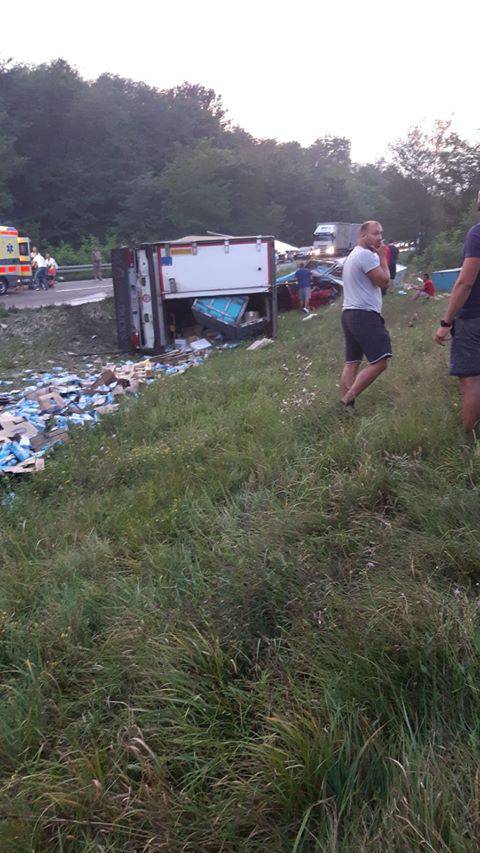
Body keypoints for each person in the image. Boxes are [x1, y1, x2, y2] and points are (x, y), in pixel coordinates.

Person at [434, 190, 480, 435]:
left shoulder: (477, 233)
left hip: (474, 316)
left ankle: (469, 441)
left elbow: (465, 282)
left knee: (471, 379)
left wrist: (446, 321)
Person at [339, 220, 391, 408]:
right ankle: (348, 398)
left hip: (349, 313)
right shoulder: (367, 256)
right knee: (381, 361)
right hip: (364, 315)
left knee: (352, 362)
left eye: (381, 233)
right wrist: (383, 258)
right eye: (375, 233)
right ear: (363, 235)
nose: (379, 238)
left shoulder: (353, 255)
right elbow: (384, 282)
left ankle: (346, 411)